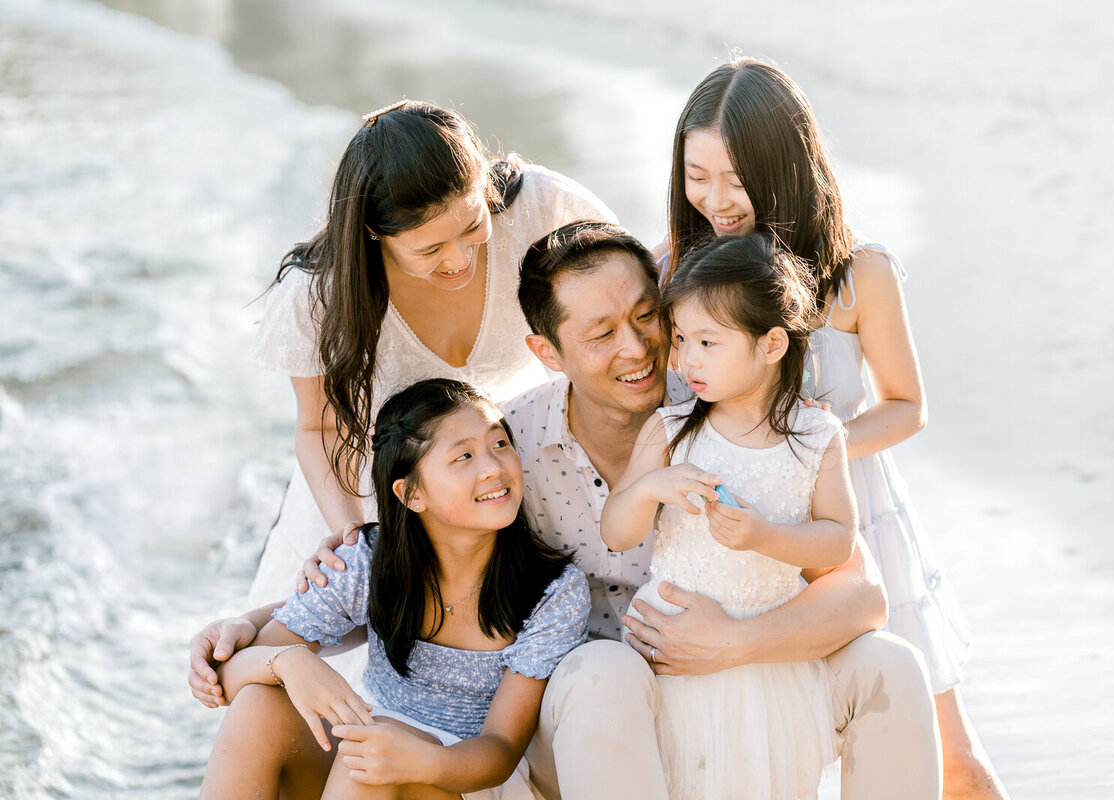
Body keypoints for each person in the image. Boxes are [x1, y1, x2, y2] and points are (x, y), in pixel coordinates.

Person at [195, 221, 942, 799]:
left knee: (891, 665)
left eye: (649, 316)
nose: (641, 349)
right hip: (578, 721)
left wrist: (733, 644)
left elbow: (860, 593)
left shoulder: (727, 408)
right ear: (546, 351)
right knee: (600, 667)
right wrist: (260, 629)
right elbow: (413, 556)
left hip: (734, 671)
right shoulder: (506, 450)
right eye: (601, 333)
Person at [664, 57, 1007, 799]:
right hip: (729, 543)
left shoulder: (859, 275)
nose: (716, 200)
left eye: (737, 177)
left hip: (858, 526)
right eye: (697, 175)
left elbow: (908, 406)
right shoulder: (675, 274)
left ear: (786, 164)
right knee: (765, 756)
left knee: (952, 765)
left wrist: (818, 446)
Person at [246, 99, 614, 606]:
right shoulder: (321, 295)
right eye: (429, 249)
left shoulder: (543, 210)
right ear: (375, 233)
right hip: (372, 502)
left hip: (504, 482)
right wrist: (359, 544)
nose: (459, 258)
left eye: (472, 227)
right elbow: (321, 428)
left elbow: (631, 293)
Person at [200, 378, 590, 800]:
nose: (494, 467)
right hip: (370, 757)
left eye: (499, 444)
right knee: (260, 705)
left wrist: (414, 758)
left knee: (368, 759)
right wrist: (289, 663)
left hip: (467, 776)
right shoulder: (369, 560)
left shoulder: (552, 591)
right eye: (464, 456)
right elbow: (231, 677)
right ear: (411, 494)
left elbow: (500, 751)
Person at [601, 233, 857, 799]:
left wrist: (767, 536)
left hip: (768, 657)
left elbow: (838, 542)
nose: (686, 359)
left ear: (770, 345)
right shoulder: (668, 429)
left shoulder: (817, 436)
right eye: (682, 339)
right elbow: (616, 531)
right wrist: (650, 489)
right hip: (672, 645)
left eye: (708, 342)